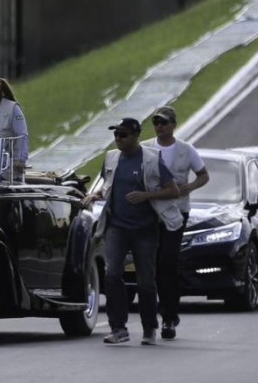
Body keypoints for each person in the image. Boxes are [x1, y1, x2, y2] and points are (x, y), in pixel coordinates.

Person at [82, 118, 181, 346]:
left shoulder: (151, 159)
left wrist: (146, 196)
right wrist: (95, 195)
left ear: (136, 136)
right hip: (117, 226)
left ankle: (149, 328)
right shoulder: (111, 158)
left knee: (145, 281)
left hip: (145, 229)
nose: (118, 139)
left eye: (123, 135)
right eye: (116, 135)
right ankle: (118, 328)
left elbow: (173, 190)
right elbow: (106, 185)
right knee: (112, 274)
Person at [141, 106, 209, 340]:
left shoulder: (186, 150)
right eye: (156, 122)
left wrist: (189, 187)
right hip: (151, 212)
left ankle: (170, 315)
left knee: (168, 261)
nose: (160, 126)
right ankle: (153, 314)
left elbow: (203, 175)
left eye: (164, 122)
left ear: (173, 125)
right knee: (153, 263)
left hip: (176, 212)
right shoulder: (146, 148)